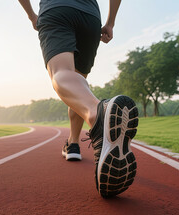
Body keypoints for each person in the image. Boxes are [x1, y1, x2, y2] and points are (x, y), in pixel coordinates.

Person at [17, 0, 138, 197]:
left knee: (63, 72)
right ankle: (73, 143)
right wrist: (110, 23)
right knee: (78, 83)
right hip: (90, 16)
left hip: (56, 10)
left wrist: (32, 16)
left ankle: (98, 115)